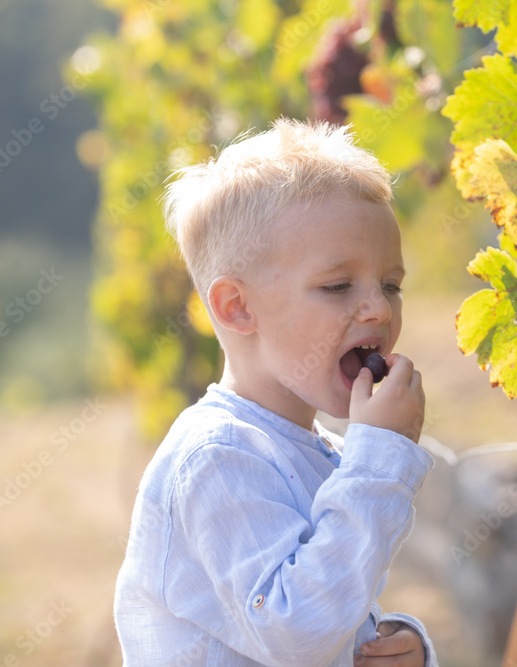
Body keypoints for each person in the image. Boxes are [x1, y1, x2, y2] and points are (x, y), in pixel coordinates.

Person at [113, 118, 436, 666]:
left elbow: (333, 605)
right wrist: (379, 464)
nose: (380, 309)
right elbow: (296, 631)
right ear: (238, 307)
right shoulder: (216, 459)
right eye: (338, 286)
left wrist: (391, 645)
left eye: (390, 285)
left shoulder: (324, 454)